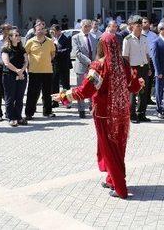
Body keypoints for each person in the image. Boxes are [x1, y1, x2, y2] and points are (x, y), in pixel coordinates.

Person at [54, 33, 144, 199]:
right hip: (122, 113)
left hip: (104, 114)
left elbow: (86, 90)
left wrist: (64, 95)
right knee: (118, 148)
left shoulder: (99, 66)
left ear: (101, 46)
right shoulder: (124, 64)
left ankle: (120, 188)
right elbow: (132, 86)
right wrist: (139, 84)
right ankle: (111, 179)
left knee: (109, 149)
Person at [122, 16, 151, 123]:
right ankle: (132, 115)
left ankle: (141, 113)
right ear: (132, 26)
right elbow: (125, 56)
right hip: (133, 69)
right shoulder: (127, 39)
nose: (140, 28)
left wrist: (149, 67)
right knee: (133, 92)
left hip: (144, 67)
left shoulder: (144, 38)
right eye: (138, 26)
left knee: (144, 92)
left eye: (140, 26)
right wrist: (128, 70)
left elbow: (147, 54)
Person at [24, 22, 56, 119]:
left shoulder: (50, 41)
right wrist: (27, 65)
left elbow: (53, 54)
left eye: (42, 29)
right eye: (39, 30)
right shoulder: (30, 42)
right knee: (32, 93)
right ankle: (29, 113)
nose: (41, 31)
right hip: (34, 71)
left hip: (47, 71)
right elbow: (25, 54)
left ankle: (47, 111)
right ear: (35, 31)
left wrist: (45, 61)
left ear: (45, 31)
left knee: (47, 93)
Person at [1, 29, 29, 127]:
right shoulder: (5, 49)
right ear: (10, 37)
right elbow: (6, 62)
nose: (18, 37)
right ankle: (11, 117)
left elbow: (26, 61)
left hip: (22, 75)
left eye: (19, 35)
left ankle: (18, 117)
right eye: (15, 35)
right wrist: (17, 70)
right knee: (10, 98)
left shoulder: (22, 49)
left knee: (19, 98)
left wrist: (21, 71)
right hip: (9, 76)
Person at [72, 20, 98, 118]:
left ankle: (92, 107)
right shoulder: (76, 38)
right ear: (81, 26)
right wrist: (89, 62)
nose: (87, 28)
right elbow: (77, 53)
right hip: (82, 67)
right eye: (85, 26)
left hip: (93, 68)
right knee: (81, 89)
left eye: (89, 26)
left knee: (93, 88)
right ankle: (81, 110)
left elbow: (96, 52)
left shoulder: (94, 37)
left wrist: (95, 63)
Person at [51, 24, 72, 103]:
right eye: (52, 32)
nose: (53, 33)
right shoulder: (52, 39)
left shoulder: (66, 38)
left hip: (64, 64)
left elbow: (67, 50)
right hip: (54, 65)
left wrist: (56, 53)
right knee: (54, 84)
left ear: (59, 31)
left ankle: (66, 101)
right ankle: (55, 102)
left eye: (54, 32)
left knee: (65, 85)